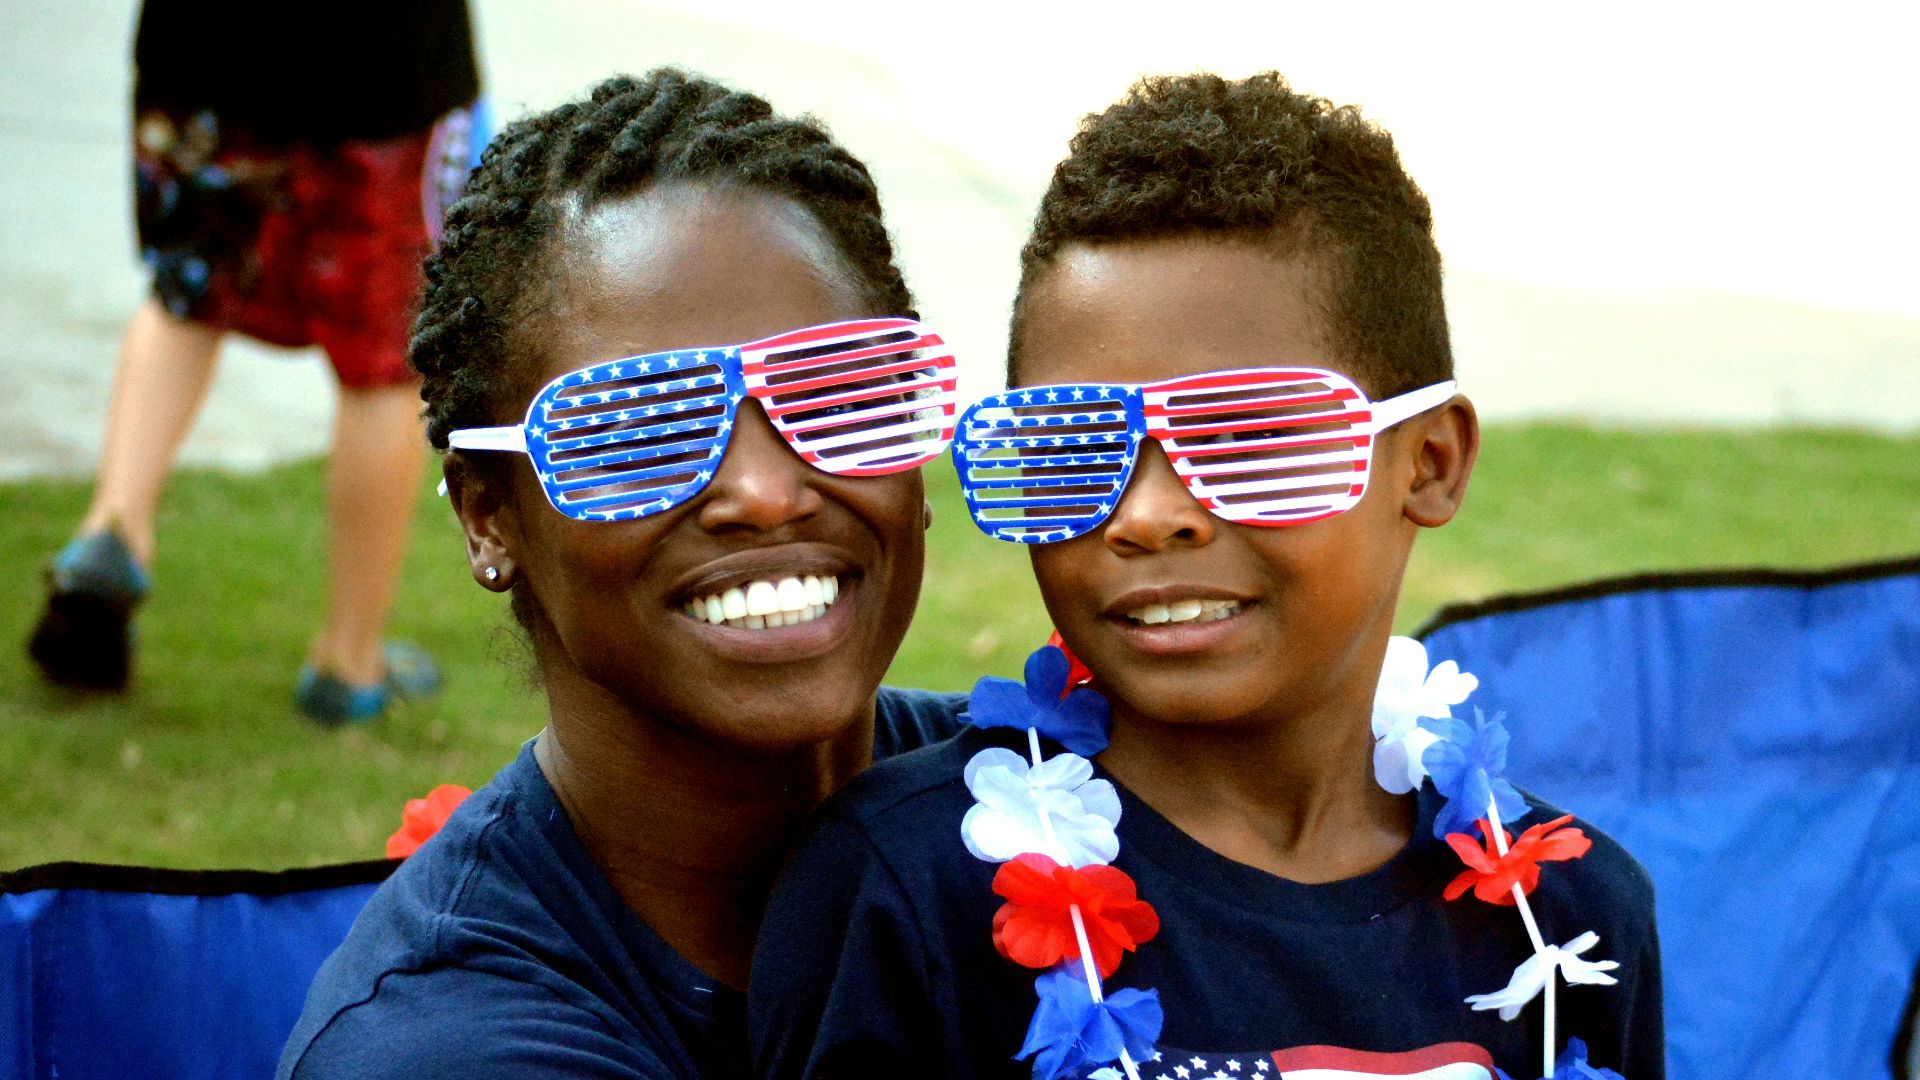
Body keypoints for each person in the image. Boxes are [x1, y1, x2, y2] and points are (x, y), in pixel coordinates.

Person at [751, 73, 1664, 1079]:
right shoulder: (910, 892)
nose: (1146, 513)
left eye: (1250, 437)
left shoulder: (1568, 916)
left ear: (1429, 462)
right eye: (1071, 444)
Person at [277, 69, 968, 1079]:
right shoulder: (442, 1048)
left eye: (836, 392)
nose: (766, 491)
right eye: (646, 428)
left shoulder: (1076, 803)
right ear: (488, 517)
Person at [27, 0, 482, 722]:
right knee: (385, 365)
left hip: (202, 47)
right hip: (385, 65)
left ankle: (112, 530)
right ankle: (348, 661)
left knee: (187, 294)